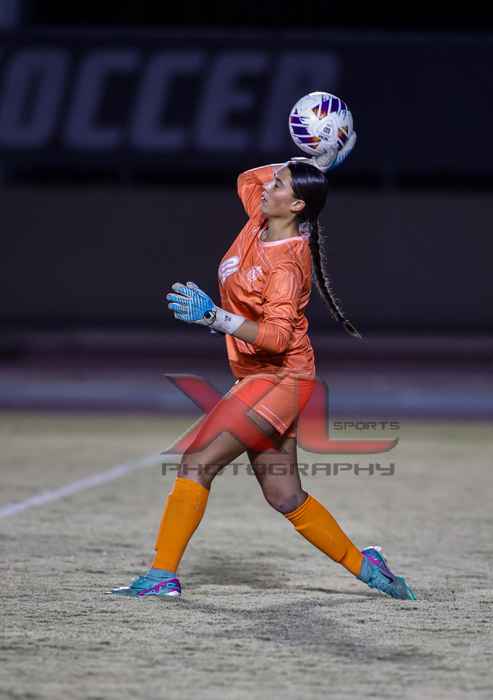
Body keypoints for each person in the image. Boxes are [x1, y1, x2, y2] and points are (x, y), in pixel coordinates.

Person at [112, 132, 415, 600]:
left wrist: (214, 317)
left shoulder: (287, 265)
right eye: (274, 181)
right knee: (284, 495)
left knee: (196, 463)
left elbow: (275, 338)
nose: (268, 186)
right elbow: (246, 178)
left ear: (296, 206)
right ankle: (367, 567)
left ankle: (162, 576)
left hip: (280, 377)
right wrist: (312, 162)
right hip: (265, 376)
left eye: (279, 185)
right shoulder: (260, 219)